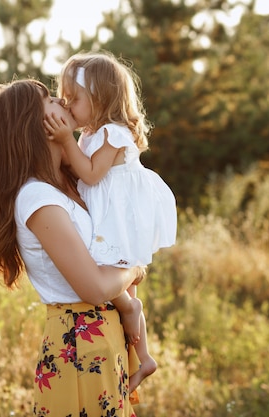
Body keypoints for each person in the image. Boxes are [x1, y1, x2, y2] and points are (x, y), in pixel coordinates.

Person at [0, 78, 142, 416]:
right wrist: (136, 268)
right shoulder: (37, 198)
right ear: (32, 127)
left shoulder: (70, 183)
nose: (62, 101)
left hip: (101, 340)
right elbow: (93, 287)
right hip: (78, 344)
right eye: (48, 100)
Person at [44, 51, 178, 391]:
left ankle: (140, 343)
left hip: (119, 211)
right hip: (108, 208)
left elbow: (89, 174)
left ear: (100, 99)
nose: (68, 105)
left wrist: (64, 140)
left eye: (75, 99)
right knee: (123, 282)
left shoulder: (114, 133)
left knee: (112, 269)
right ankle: (141, 358)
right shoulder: (91, 134)